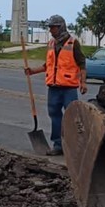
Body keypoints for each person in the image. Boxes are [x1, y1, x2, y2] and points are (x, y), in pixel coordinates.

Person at [23, 15, 87, 156]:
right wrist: (32, 71)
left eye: (53, 27)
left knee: (72, 117)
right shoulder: (51, 43)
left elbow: (82, 63)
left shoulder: (73, 43)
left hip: (68, 88)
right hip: (54, 88)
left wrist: (83, 82)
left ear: (61, 27)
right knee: (54, 115)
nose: (51, 30)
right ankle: (58, 145)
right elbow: (49, 65)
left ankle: (75, 146)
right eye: (50, 27)